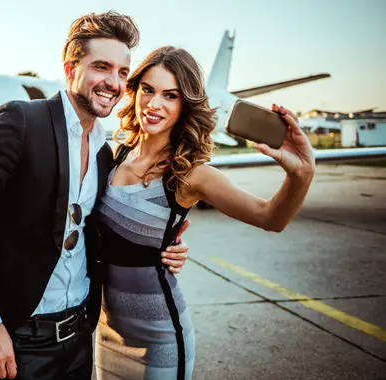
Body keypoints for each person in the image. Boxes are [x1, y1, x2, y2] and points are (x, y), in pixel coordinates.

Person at [0, 11, 192, 380]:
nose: (113, 82)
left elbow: (100, 230)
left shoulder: (106, 152)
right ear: (70, 67)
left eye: (123, 72)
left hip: (80, 333)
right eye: (101, 67)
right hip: (22, 337)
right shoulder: (21, 121)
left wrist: (164, 246)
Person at [93, 46, 316, 380]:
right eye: (148, 90)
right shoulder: (113, 154)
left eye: (170, 95)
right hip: (106, 334)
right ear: (135, 90)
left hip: (160, 340)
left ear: (185, 105)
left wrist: (301, 174)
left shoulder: (191, 174)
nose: (154, 105)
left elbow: (271, 218)